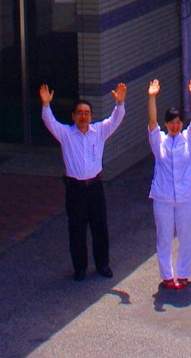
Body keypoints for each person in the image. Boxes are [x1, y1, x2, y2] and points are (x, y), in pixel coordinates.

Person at [38, 81, 126, 281]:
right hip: (75, 190)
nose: (83, 116)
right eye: (80, 112)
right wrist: (46, 105)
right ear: (73, 116)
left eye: (87, 112)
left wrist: (119, 103)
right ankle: (79, 268)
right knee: (76, 230)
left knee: (99, 227)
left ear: (91, 116)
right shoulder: (66, 134)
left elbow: (115, 119)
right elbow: (49, 121)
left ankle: (102, 264)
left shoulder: (99, 131)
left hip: (95, 187)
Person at [146, 76, 191, 291]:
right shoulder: (158, 139)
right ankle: (167, 276)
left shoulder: (189, 137)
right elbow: (151, 122)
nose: (175, 126)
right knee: (164, 238)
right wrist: (151, 98)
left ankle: (185, 274)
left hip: (187, 196)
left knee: (187, 237)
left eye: (178, 122)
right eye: (171, 122)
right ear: (166, 124)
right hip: (162, 197)